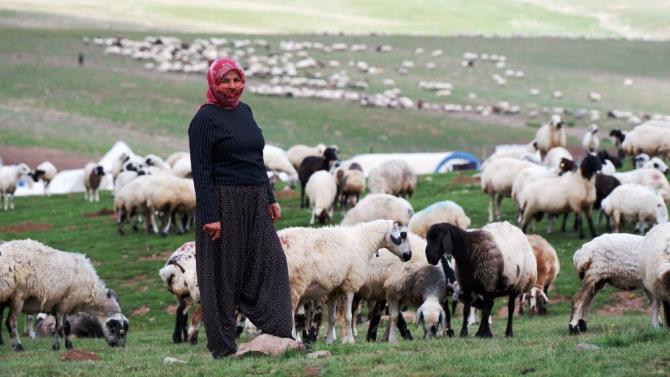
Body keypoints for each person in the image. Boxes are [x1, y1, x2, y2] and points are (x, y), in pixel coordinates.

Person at [188, 58, 294, 358]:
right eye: (225, 81)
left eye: (237, 80)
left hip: (256, 200)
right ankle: (222, 347)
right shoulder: (204, 120)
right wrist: (210, 215)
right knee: (221, 274)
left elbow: (256, 160)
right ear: (213, 83)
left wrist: (270, 196)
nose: (233, 87)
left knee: (272, 265)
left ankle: (277, 335)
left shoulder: (245, 112)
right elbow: (201, 171)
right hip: (223, 203)